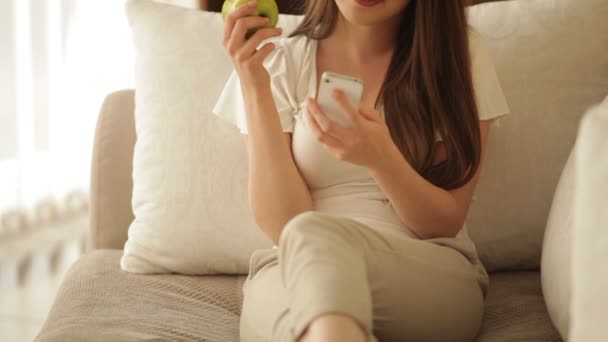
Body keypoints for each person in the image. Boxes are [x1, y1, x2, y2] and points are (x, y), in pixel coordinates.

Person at [212, 0, 509, 341]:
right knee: (312, 252)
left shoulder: (459, 55)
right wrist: (254, 87)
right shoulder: (280, 61)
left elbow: (443, 222)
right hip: (298, 265)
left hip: (424, 268)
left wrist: (380, 157)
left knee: (318, 239)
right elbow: (286, 224)